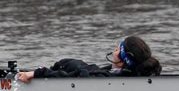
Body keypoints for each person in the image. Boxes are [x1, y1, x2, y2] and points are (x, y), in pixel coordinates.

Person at [16, 36, 161, 82]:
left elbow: (72, 77)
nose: (114, 50)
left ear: (124, 59)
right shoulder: (115, 72)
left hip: (60, 73)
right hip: (59, 68)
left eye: (118, 49)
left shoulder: (102, 77)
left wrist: (37, 74)